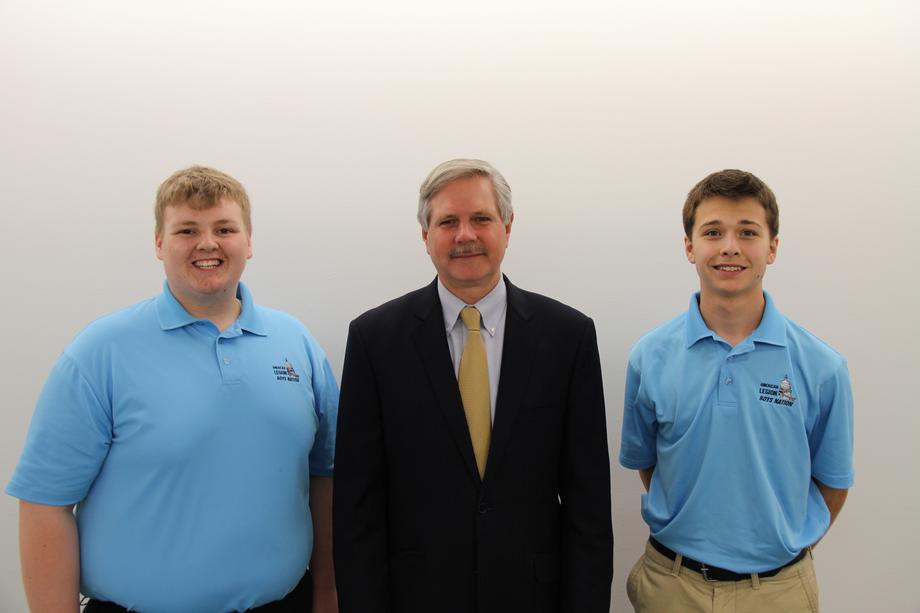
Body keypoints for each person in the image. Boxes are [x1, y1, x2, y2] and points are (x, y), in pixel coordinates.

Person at [7, 166, 339, 612]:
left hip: (285, 603)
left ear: (249, 242)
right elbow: (45, 504)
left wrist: (327, 594)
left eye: (225, 228)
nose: (208, 243)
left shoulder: (296, 343)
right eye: (187, 230)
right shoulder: (100, 353)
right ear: (159, 243)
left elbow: (328, 477)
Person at [332, 158, 613, 613]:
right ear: (426, 236)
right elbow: (357, 508)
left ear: (507, 225)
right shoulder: (374, 340)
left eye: (481, 218)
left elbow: (589, 509)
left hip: (533, 597)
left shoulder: (568, 337)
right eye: (448, 222)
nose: (465, 235)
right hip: (416, 598)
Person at [619, 169, 854, 612]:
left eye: (748, 232)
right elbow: (649, 465)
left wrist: (775, 553)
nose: (730, 246)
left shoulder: (822, 366)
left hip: (779, 592)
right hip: (671, 587)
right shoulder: (649, 357)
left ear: (773, 247)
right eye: (713, 232)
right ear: (689, 247)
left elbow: (833, 484)